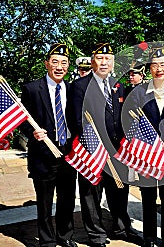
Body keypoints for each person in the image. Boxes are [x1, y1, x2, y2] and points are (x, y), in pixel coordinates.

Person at [66, 42, 142, 247]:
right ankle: (96, 234)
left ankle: (121, 227)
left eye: (108, 59)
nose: (104, 62)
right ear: (92, 62)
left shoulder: (118, 85)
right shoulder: (79, 86)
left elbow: (124, 116)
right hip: (93, 150)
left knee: (119, 189)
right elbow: (76, 120)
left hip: (118, 150)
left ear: (113, 62)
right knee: (91, 193)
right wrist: (96, 145)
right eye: (100, 58)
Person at [125, 46, 164, 247]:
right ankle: (150, 238)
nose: (159, 69)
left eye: (162, 65)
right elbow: (130, 121)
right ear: (150, 69)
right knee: (148, 197)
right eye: (154, 65)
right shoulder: (139, 93)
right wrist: (146, 144)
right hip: (147, 155)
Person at [20, 43, 77, 247]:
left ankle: (65, 236)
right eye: (55, 62)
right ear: (47, 64)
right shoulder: (32, 89)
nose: (59, 66)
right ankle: (47, 241)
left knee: (67, 200)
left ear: (68, 66)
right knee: (44, 202)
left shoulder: (72, 89)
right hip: (43, 155)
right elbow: (22, 120)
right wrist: (32, 133)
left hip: (68, 154)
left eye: (64, 62)